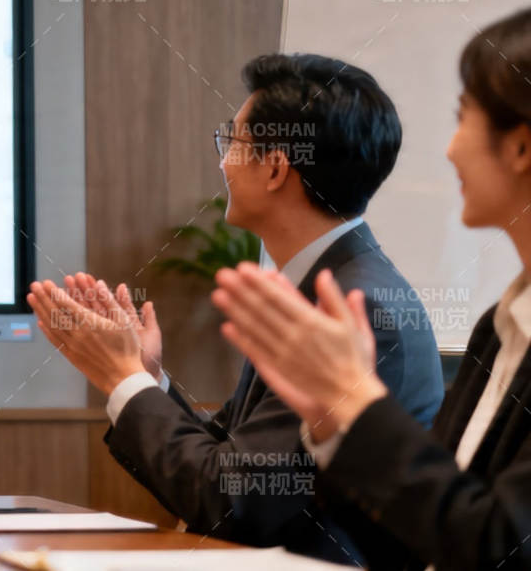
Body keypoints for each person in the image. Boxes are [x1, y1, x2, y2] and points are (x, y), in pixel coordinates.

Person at [29, 53, 443, 565]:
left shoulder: (350, 309)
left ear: (274, 167)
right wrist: (145, 376)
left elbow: (231, 502)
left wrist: (120, 378)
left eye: (233, 142)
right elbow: (229, 461)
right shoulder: (319, 286)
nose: (223, 162)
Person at [211, 5, 531, 571]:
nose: (450, 148)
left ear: (521, 147)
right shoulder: (497, 329)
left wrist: (355, 409)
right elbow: (430, 537)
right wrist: (336, 429)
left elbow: (500, 547)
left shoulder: (366, 301)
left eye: (464, 117)